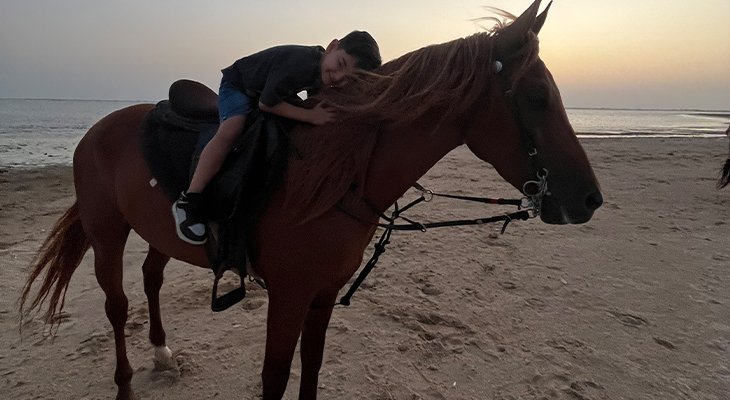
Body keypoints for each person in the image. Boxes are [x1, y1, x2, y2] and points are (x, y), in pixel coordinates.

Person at [172, 31, 382, 244]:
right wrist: (309, 115)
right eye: (340, 64)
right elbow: (267, 103)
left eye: (347, 79)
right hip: (239, 85)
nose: (337, 77)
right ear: (332, 46)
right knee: (232, 129)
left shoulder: (322, 71)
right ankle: (190, 200)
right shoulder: (300, 62)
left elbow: (316, 99)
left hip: (266, 90)